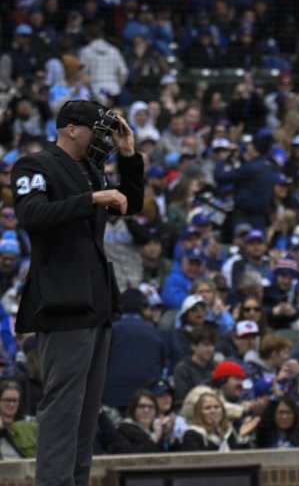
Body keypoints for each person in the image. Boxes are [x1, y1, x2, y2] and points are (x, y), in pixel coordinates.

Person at [11, 100, 143, 485]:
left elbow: (130, 204)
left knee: (86, 413)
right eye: (97, 131)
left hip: (98, 300)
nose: (103, 140)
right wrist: (93, 199)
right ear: (71, 129)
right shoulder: (34, 165)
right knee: (62, 407)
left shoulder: (91, 170)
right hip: (61, 300)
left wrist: (129, 157)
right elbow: (31, 215)